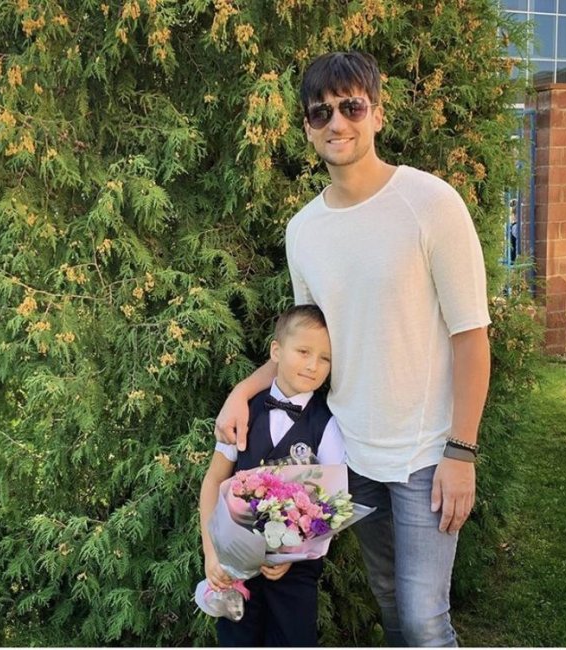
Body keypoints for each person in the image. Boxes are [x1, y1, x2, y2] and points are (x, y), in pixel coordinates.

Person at [214, 51, 491, 647]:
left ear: (377, 114)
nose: (337, 122)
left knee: (424, 619)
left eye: (351, 107)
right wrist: (242, 391)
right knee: (388, 600)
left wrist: (461, 450)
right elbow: (304, 346)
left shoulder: (431, 203)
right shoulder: (303, 231)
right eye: (321, 112)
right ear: (308, 128)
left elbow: (471, 335)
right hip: (350, 453)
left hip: (426, 452)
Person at [200, 304, 346, 647]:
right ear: (276, 351)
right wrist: (211, 554)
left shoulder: (328, 425)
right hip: (234, 568)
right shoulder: (243, 413)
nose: (313, 365)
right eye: (303, 352)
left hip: (295, 578)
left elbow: (333, 506)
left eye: (325, 358)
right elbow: (213, 481)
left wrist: (293, 556)